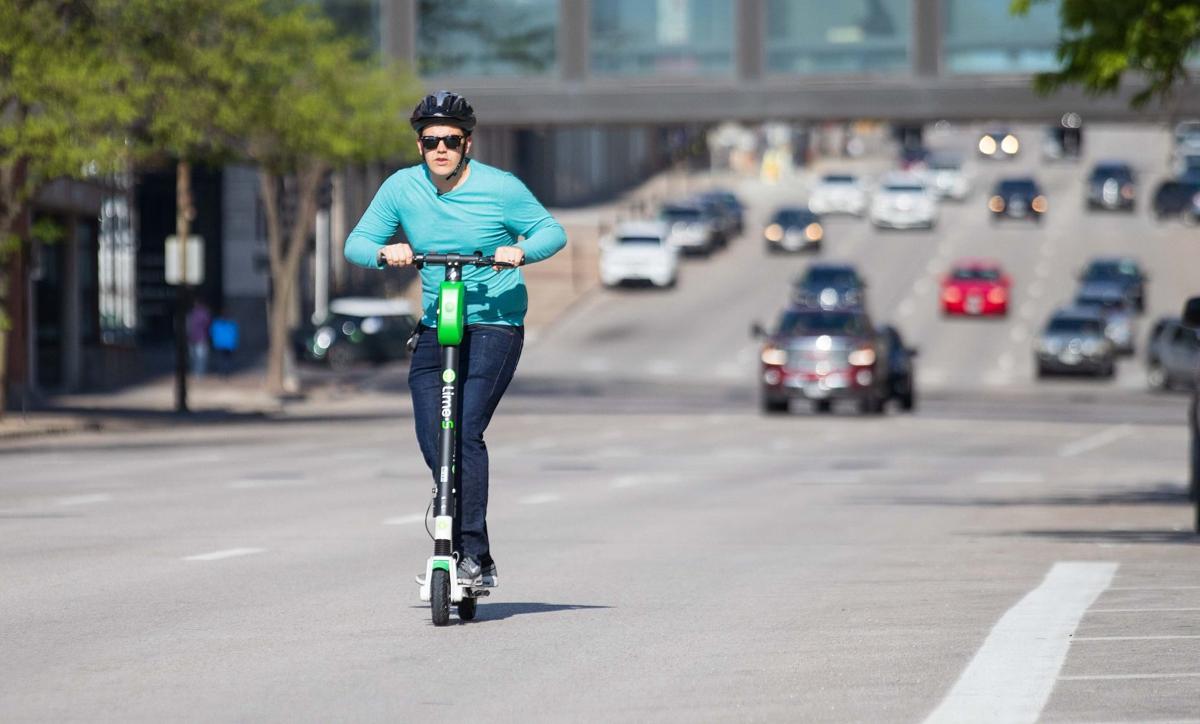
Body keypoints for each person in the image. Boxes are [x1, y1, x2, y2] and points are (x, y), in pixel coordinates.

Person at [343, 91, 567, 588]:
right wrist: (387, 252)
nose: (439, 149)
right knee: (433, 437)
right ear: (419, 144)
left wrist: (519, 251)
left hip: (494, 322)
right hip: (436, 324)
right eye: (430, 141)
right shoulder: (402, 188)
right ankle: (462, 548)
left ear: (467, 143)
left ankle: (474, 556)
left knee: (463, 430)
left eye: (450, 140)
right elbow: (355, 244)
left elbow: (552, 232)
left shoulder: (500, 188)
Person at [186, 299, 212, 376]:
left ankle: (198, 372)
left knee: (198, 357)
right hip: (197, 338)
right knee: (198, 357)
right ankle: (197, 372)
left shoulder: (195, 314)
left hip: (198, 338)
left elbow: (208, 325)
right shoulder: (192, 314)